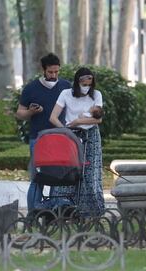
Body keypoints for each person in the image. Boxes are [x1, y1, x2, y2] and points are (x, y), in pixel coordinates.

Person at [16, 53, 71, 211]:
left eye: (56, 72)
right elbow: (20, 113)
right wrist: (31, 112)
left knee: (59, 177)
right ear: (43, 70)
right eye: (50, 72)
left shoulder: (66, 86)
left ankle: (53, 212)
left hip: (61, 138)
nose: (54, 75)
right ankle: (33, 213)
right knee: (38, 177)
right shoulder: (31, 88)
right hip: (38, 139)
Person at [49, 67, 105, 217]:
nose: (86, 87)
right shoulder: (66, 94)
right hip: (71, 135)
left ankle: (91, 211)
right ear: (77, 82)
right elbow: (53, 117)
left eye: (89, 84)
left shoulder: (96, 95)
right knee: (68, 171)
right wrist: (66, 130)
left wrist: (79, 121)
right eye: (83, 84)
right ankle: (64, 206)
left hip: (90, 135)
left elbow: (98, 118)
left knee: (90, 172)